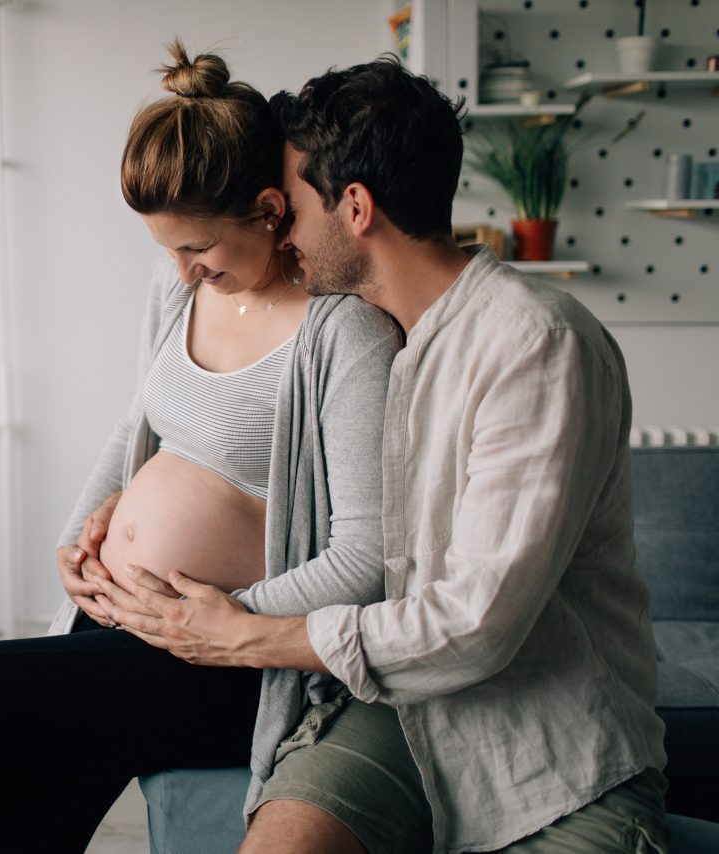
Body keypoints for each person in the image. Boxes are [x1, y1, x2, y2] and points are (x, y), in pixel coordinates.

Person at [96, 56, 669, 853]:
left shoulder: (532, 343)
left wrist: (240, 635)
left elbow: (475, 627)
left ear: (355, 207)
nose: (279, 229)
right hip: (386, 714)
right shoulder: (377, 338)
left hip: (542, 744)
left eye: (289, 207)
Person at [0, 43, 402, 853]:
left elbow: (364, 557)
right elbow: (140, 424)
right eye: (167, 249)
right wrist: (78, 533)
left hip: (228, 662)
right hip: (130, 623)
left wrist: (211, 620)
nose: (183, 270)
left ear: (270, 209)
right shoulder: (177, 290)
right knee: (19, 823)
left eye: (199, 248)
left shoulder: (343, 334)